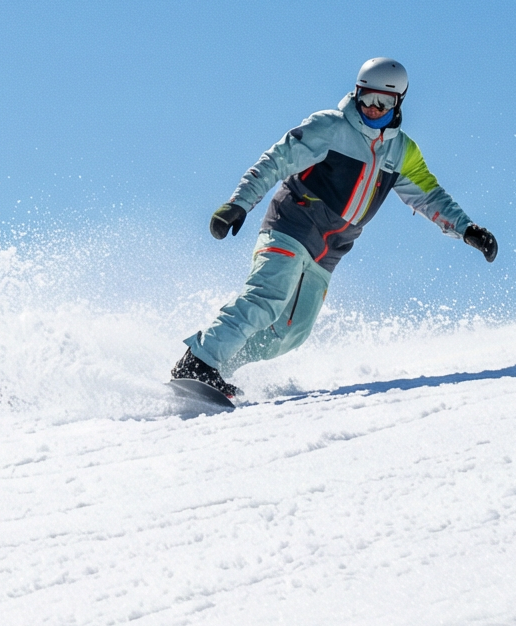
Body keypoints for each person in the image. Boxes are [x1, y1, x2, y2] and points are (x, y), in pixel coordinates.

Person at [170, 58, 497, 400]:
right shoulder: (330, 127)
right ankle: (198, 361)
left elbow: (431, 196)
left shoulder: (403, 153)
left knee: (290, 332)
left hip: (329, 251)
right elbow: (276, 160)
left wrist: (467, 229)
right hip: (292, 224)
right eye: (366, 98)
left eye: (383, 103)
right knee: (267, 298)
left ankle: (217, 366)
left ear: (398, 102)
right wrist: (239, 203)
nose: (372, 108)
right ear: (356, 93)